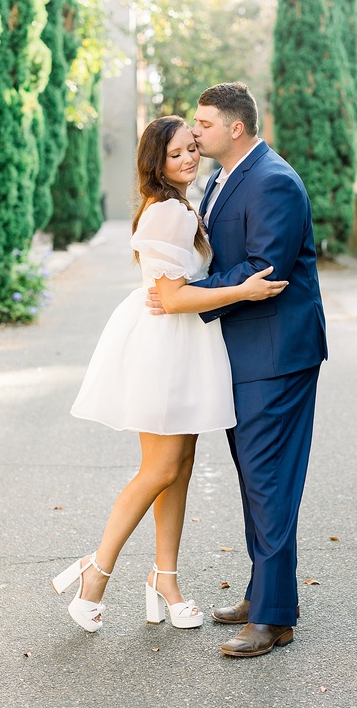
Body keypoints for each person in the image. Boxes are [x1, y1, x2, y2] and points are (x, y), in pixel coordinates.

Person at [52, 115, 287, 634]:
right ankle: (97, 572)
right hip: (166, 343)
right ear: (156, 161)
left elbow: (176, 292)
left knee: (179, 464)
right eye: (176, 153)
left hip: (181, 342)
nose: (188, 159)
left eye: (191, 149)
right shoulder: (168, 213)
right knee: (159, 469)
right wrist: (242, 291)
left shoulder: (181, 205)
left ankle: (165, 578)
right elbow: (176, 297)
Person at [148, 82, 328, 658]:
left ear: (236, 129)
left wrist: (188, 293)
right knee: (257, 478)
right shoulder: (228, 177)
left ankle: (273, 617)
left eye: (203, 123)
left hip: (276, 355)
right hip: (244, 351)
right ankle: (264, 593)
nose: (194, 132)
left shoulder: (272, 180)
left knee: (270, 480)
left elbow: (262, 269)